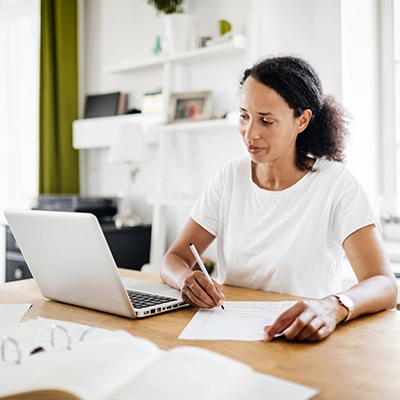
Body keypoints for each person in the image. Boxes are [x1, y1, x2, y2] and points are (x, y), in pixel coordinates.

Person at [159, 55, 398, 342]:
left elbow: (384, 284)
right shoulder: (230, 177)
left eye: (267, 121)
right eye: (244, 116)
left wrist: (332, 306)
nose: (250, 133)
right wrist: (185, 279)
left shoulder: (336, 183)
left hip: (302, 338)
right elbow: (174, 258)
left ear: (302, 120)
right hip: (230, 334)